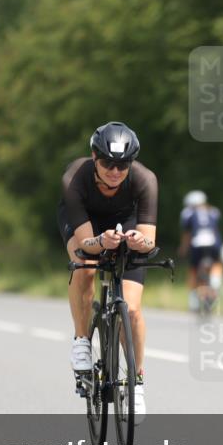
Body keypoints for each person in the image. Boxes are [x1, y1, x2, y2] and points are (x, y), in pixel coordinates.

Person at [57, 122, 157, 423]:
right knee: (86, 266)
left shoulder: (145, 180)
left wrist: (139, 241)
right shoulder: (74, 177)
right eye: (107, 163)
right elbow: (87, 242)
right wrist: (100, 242)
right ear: (94, 157)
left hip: (125, 221)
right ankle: (81, 341)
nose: (115, 171)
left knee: (134, 310)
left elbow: (149, 238)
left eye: (123, 164)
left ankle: (136, 382)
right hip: (85, 222)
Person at [178, 191, 223, 311]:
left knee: (193, 270)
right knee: (217, 263)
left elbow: (187, 233)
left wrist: (183, 249)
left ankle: (194, 301)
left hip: (196, 244)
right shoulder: (213, 211)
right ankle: (215, 281)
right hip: (213, 243)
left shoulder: (187, 213)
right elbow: (215, 229)